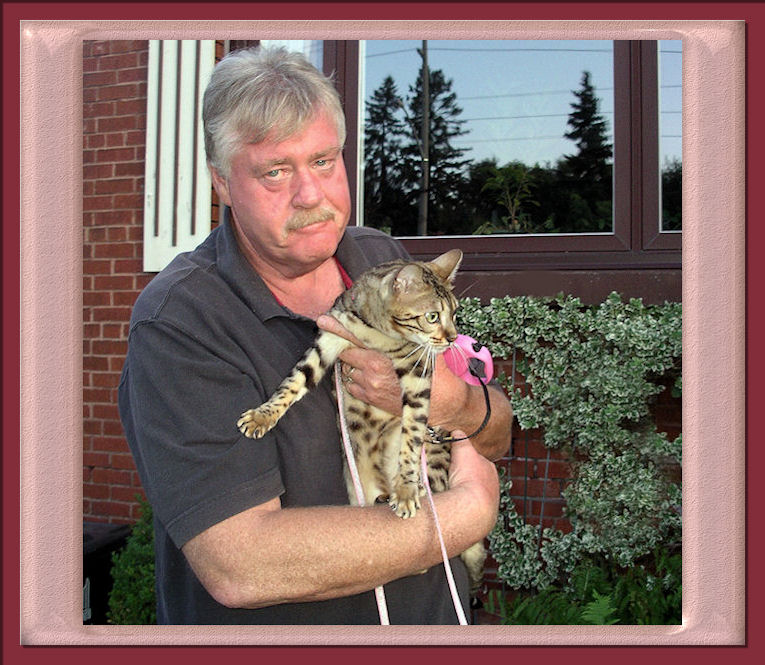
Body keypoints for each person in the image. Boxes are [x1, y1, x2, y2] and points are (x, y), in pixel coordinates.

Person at [118, 46, 512, 625]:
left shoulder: (383, 262)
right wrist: (468, 513)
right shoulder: (182, 320)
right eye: (276, 171)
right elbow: (242, 563)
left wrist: (452, 402)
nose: (311, 195)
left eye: (325, 160)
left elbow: (495, 432)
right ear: (222, 183)